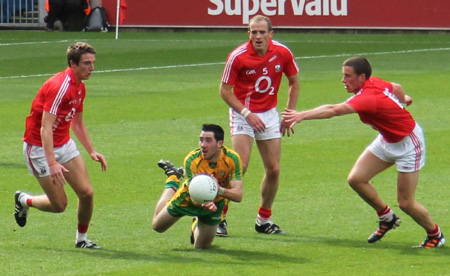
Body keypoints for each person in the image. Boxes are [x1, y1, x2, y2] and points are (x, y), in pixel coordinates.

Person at [282, 56, 445, 248]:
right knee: (356, 179)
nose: (343, 80)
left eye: (347, 76)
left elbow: (335, 110)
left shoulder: (367, 97)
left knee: (406, 203)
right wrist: (403, 99)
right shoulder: (372, 82)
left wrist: (301, 115)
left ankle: (435, 236)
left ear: (362, 77)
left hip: (408, 143)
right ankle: (387, 217)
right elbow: (396, 86)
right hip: (387, 139)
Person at [14, 42, 107, 249]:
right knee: (59, 205)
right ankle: (24, 200)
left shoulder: (80, 87)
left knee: (87, 193)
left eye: (93, 63)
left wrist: (92, 150)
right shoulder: (60, 87)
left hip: (63, 143)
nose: (92, 68)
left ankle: (82, 240)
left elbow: (77, 122)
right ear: (72, 64)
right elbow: (45, 128)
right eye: (86, 63)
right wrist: (52, 161)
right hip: (39, 148)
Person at [219, 15, 300, 235]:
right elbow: (225, 91)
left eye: (261, 32)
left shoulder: (282, 52)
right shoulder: (238, 57)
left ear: (270, 34)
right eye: (253, 32)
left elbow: (294, 81)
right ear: (249, 34)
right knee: (240, 166)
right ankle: (219, 216)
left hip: (269, 114)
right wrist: (247, 113)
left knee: (273, 169)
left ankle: (263, 220)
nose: (257, 36)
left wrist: (289, 113)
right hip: (243, 114)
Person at [152, 124, 243, 249]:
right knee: (157, 227)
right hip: (188, 198)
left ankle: (196, 221)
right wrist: (203, 204)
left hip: (216, 204)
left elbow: (238, 196)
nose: (203, 145)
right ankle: (173, 179)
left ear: (219, 143)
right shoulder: (192, 160)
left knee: (201, 247)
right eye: (201, 140)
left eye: (208, 140)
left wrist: (218, 190)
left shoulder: (232, 159)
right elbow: (194, 197)